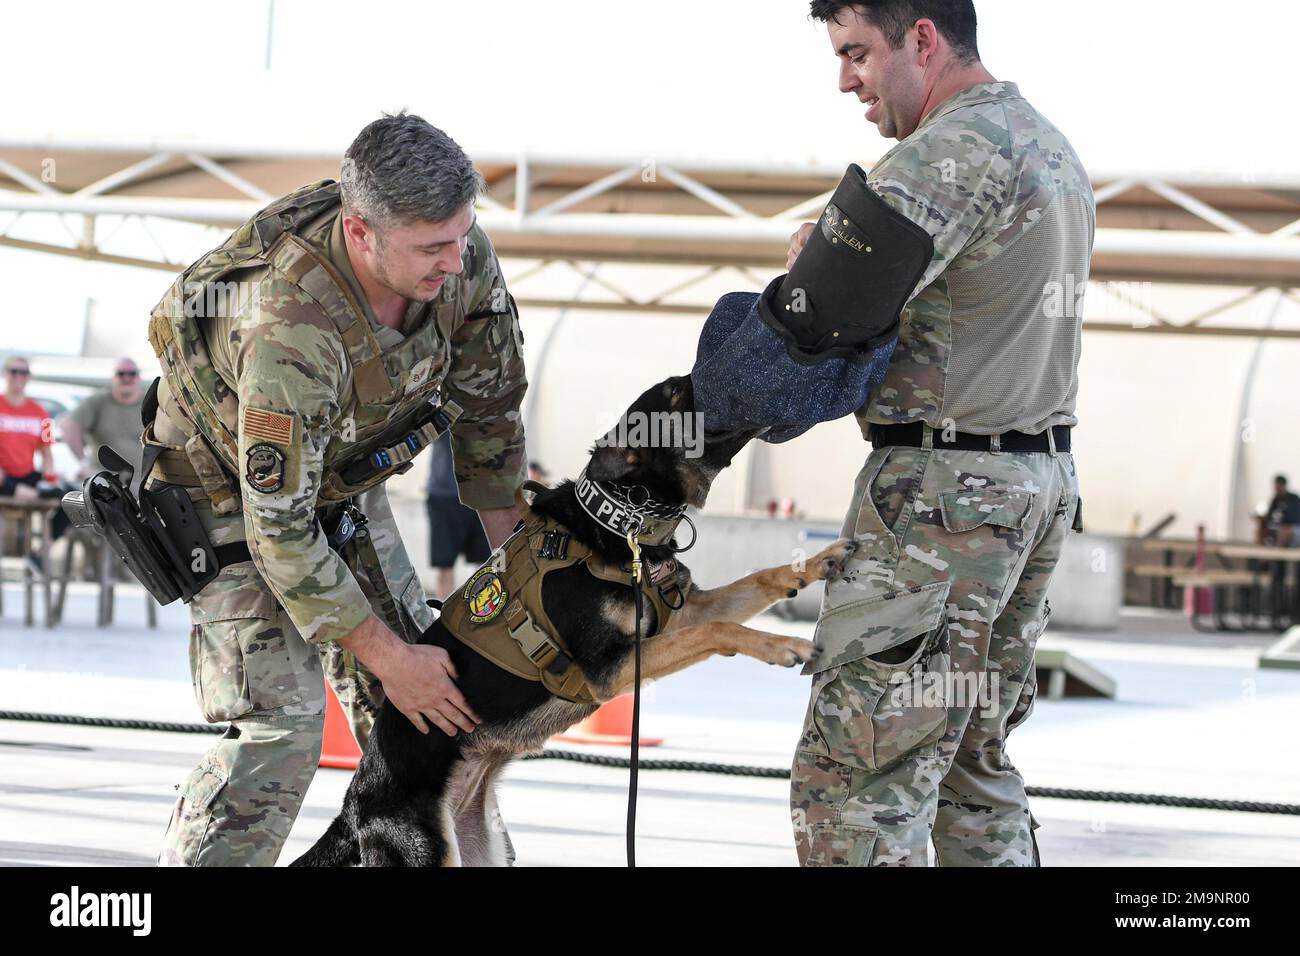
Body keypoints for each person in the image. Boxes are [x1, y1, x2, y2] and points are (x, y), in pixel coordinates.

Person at [146, 113, 529, 866]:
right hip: (224, 501)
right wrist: (390, 659)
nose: (455, 261)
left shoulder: (460, 255)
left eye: (461, 236)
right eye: (431, 247)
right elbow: (280, 532)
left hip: (342, 481)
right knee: (280, 734)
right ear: (361, 233)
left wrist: (520, 572)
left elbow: (489, 413)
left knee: (441, 725)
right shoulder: (289, 325)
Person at [778, 1, 1093, 866]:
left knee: (857, 789)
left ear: (922, 38)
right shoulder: (1048, 144)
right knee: (967, 775)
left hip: (941, 508)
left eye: (857, 53)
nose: (846, 78)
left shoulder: (947, 150)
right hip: (1028, 489)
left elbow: (816, 318)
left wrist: (811, 255)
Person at [424, 430, 491, 599]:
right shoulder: (439, 405)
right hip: (444, 496)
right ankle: (445, 618)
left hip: (481, 495)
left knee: (485, 564)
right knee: (444, 565)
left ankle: (485, 616)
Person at [61, 357, 147, 479]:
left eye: (132, 374)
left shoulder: (149, 403)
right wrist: (83, 463)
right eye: (121, 374)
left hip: (142, 480)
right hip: (105, 480)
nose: (126, 378)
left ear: (139, 377)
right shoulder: (98, 402)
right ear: (114, 377)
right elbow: (68, 425)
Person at [1256, 475, 1300, 547]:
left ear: (1283, 485)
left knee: (1284, 531)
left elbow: (1295, 517)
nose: (1275, 489)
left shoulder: (1294, 498)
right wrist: (1262, 518)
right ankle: (1260, 553)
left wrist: (1281, 520)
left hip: (1293, 526)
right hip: (1280, 526)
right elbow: (1270, 514)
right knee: (1261, 531)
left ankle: (1278, 555)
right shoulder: (1276, 499)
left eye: (1277, 486)